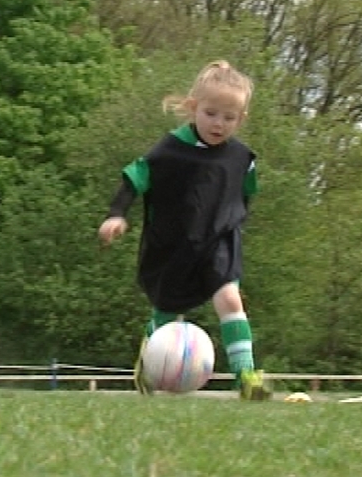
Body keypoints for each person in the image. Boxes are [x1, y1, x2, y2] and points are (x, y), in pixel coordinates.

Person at [98, 60, 272, 400]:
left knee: (229, 298)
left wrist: (234, 227)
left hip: (220, 241)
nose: (219, 123)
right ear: (193, 108)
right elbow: (135, 177)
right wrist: (116, 214)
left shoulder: (241, 157)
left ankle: (246, 377)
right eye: (211, 113)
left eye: (229, 117)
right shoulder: (170, 150)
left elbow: (245, 194)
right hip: (175, 245)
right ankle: (150, 362)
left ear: (241, 119)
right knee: (167, 310)